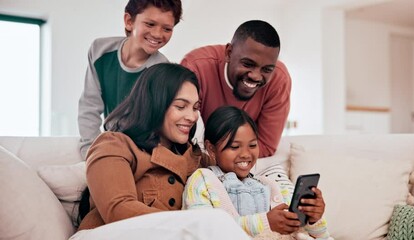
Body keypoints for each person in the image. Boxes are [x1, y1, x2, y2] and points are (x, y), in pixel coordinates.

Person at [72, 63, 250, 240]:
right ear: (154, 104)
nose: (192, 117)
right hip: (102, 235)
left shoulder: (196, 159)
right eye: (181, 106)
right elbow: (118, 210)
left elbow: (236, 181)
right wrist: (194, 222)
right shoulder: (114, 145)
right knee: (216, 220)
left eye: (195, 107)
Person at [183, 106, 332, 240]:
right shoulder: (203, 180)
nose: (246, 154)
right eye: (235, 147)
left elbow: (320, 237)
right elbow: (204, 231)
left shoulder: (271, 184)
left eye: (253, 145)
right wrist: (265, 223)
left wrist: (313, 219)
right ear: (211, 148)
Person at [78, 0, 182, 159]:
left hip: (140, 155)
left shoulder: (161, 71)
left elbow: (154, 131)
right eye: (150, 24)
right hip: (105, 148)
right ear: (129, 21)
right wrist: (90, 153)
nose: (157, 34)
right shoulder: (99, 50)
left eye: (167, 28)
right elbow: (89, 107)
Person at [180, 20, 292, 158]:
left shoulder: (279, 79)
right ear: (228, 53)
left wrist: (227, 161)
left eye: (267, 69)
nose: (256, 76)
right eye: (248, 64)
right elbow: (183, 137)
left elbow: (266, 145)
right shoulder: (195, 68)